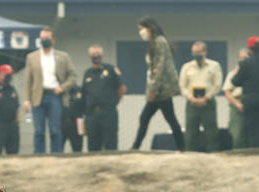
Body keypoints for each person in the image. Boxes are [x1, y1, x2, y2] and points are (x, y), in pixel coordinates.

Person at [131, 17, 184, 151]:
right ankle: (182, 147)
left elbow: (160, 67)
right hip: (159, 90)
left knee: (159, 119)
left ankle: (136, 146)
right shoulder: (155, 42)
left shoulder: (159, 42)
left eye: (141, 29)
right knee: (156, 118)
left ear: (149, 28)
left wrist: (153, 90)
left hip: (161, 91)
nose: (141, 33)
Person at [22, 27, 77, 153]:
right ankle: (39, 156)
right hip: (37, 96)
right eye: (42, 38)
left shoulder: (63, 56)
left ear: (53, 40)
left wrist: (63, 87)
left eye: (47, 38)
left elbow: (73, 75)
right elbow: (28, 80)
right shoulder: (32, 57)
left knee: (55, 129)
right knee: (39, 131)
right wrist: (26, 100)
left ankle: (56, 155)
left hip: (55, 96)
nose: (44, 41)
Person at [179, 41, 222, 152]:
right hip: (192, 103)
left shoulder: (214, 66)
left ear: (205, 52)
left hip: (208, 103)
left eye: (198, 52)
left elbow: (217, 85)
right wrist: (191, 98)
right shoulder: (186, 67)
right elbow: (182, 86)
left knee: (211, 133)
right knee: (191, 133)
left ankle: (213, 156)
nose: (196, 54)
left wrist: (206, 98)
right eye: (194, 52)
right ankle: (190, 157)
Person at [82, 45, 125, 151]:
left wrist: (113, 102)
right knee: (93, 145)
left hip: (108, 112)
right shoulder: (87, 73)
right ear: (89, 57)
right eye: (93, 55)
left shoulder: (111, 69)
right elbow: (84, 94)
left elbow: (122, 88)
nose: (96, 57)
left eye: (98, 55)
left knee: (110, 143)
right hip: (92, 114)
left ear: (102, 56)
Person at [223, 48, 251, 149]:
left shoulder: (252, 73)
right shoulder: (232, 74)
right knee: (238, 136)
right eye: (241, 58)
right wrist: (237, 104)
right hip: (237, 107)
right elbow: (227, 92)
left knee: (251, 137)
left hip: (250, 106)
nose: (243, 60)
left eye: (245, 58)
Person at [59, 84, 84, 152]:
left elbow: (86, 107)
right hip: (62, 121)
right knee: (58, 148)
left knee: (78, 149)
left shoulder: (81, 90)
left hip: (78, 122)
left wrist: (85, 126)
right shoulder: (59, 90)